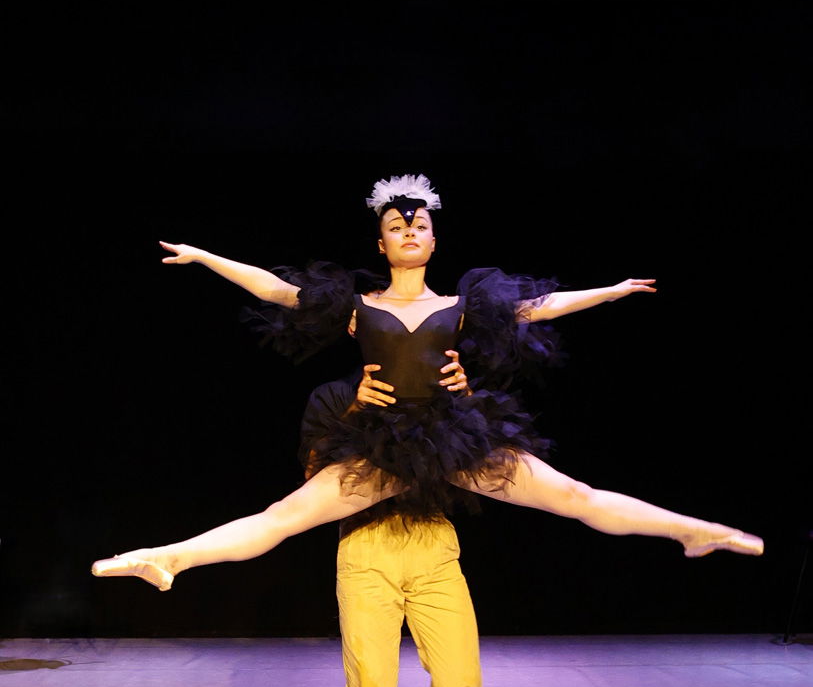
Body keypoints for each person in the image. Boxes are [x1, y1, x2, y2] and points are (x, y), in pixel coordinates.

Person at [91, 172, 762, 598]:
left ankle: (691, 531)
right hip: (381, 444)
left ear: (433, 240)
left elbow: (537, 306)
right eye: (395, 226)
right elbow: (276, 290)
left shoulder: (463, 304)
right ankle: (169, 558)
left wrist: (607, 292)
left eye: (419, 224)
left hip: (456, 437)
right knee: (282, 517)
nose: (409, 230)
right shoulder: (357, 306)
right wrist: (206, 257)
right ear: (381, 245)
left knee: (574, 495)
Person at [303, 359, 480, 687]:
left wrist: (465, 402)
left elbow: (487, 462)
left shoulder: (438, 388)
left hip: (432, 540)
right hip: (365, 545)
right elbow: (313, 477)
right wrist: (356, 409)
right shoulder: (334, 395)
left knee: (462, 684)